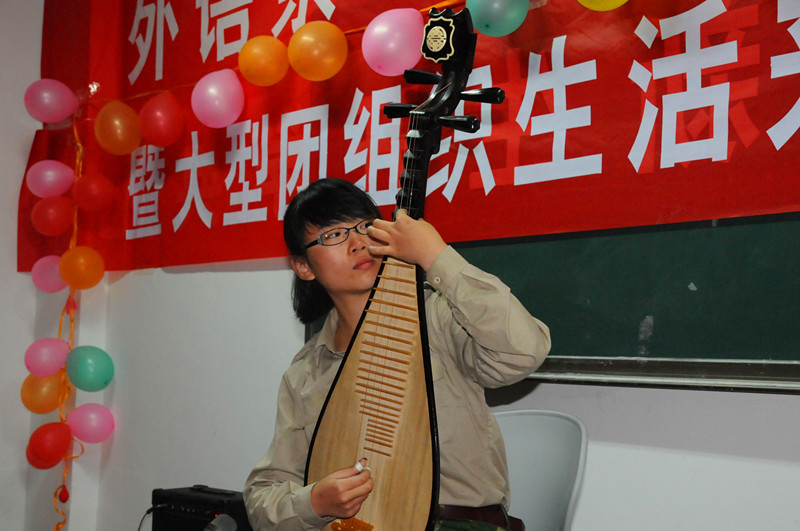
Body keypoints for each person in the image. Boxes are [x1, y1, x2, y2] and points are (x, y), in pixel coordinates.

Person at [244, 178, 551, 530]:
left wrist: (435, 256)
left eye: (364, 227)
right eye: (334, 235)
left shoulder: (439, 317)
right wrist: (314, 502)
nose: (358, 243)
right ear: (303, 267)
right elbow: (262, 496)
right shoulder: (306, 372)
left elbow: (525, 351)